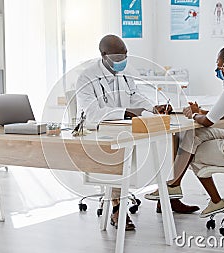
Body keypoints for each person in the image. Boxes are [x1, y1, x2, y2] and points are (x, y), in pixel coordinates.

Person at [145, 45, 224, 218]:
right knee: (193, 135)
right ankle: (173, 186)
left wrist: (193, 114)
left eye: (217, 63)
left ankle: (211, 199)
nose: (216, 68)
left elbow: (208, 122)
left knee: (194, 153)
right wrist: (199, 112)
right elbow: (222, 114)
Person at [76, 34, 175, 230]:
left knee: (158, 146)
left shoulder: (125, 72)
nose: (122, 61)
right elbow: (91, 113)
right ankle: (118, 208)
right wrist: (125, 112)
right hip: (101, 130)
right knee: (116, 155)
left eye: (125, 55)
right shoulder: (86, 77)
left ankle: (168, 194)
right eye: (118, 57)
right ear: (104, 55)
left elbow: (135, 97)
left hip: (125, 128)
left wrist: (152, 109)